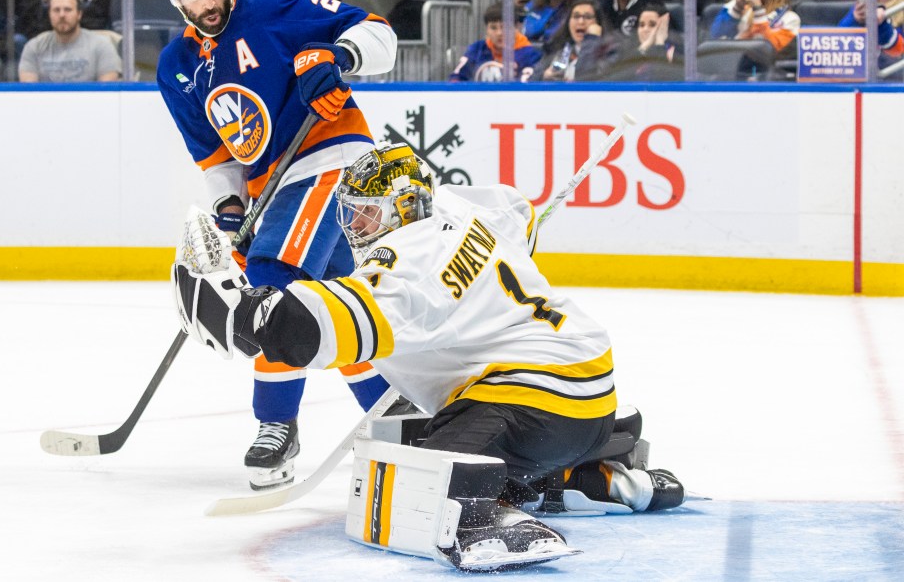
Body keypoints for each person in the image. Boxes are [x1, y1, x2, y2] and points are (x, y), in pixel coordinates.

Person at [170, 142, 686, 573]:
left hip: (533, 408)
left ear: (402, 206)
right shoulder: (461, 207)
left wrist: (242, 309)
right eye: (350, 213)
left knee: (415, 485)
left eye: (367, 213)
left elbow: (317, 329)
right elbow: (520, 215)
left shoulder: (405, 262)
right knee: (428, 434)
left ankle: (484, 521)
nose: (356, 226)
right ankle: (600, 474)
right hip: (588, 397)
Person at [154, 0, 395, 490]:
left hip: (332, 156)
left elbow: (378, 31)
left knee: (271, 285)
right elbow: (215, 156)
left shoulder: (272, 4)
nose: (209, 1)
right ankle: (394, 414)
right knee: (336, 298)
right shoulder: (177, 67)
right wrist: (231, 203)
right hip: (275, 185)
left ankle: (276, 426)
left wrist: (340, 57)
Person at [17, 0, 121, 81]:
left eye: (68, 9)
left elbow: (108, 94)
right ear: (49, 14)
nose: (62, 15)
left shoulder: (102, 46)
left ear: (79, 14)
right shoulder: (34, 47)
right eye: (56, 10)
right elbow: (29, 94)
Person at [839, 0, 904, 75]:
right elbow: (837, 42)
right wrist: (854, 19)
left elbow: (898, 52)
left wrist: (881, 23)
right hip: (859, 76)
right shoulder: (861, 11)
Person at [449, 2, 541, 82]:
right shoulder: (477, 49)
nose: (499, 33)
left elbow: (528, 87)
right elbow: (456, 78)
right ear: (486, 30)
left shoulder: (530, 54)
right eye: (493, 28)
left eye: (505, 27)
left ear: (516, 28)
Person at [530, 0, 614, 82]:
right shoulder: (557, 48)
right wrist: (543, 76)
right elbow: (531, 82)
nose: (581, 22)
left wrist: (591, 39)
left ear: (598, 23)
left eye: (588, 17)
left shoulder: (611, 51)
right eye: (576, 16)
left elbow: (584, 79)